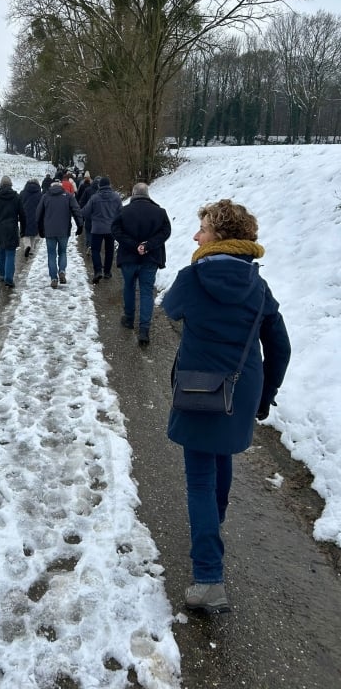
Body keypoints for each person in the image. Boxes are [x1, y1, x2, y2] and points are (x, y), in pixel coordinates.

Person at [162, 199, 291, 614]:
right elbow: (280, 346)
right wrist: (266, 393)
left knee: (199, 477)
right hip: (241, 387)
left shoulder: (192, 277)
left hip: (199, 388)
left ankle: (208, 578)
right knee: (222, 457)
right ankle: (210, 528)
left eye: (201, 228)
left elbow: (169, 311)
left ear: (217, 235)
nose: (195, 236)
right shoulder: (258, 286)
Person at [112, 182, 171, 345]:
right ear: (147, 194)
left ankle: (129, 319)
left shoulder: (124, 211)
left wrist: (133, 244)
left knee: (129, 287)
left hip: (128, 258)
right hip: (150, 259)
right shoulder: (160, 212)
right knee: (146, 292)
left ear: (133, 193)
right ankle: (144, 328)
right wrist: (147, 246)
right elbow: (166, 232)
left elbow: (115, 230)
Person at [36, 179, 83, 288]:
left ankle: (53, 278)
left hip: (49, 231)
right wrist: (80, 225)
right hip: (63, 230)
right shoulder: (68, 196)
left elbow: (38, 214)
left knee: (51, 254)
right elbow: (76, 210)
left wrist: (40, 228)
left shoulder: (46, 197)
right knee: (62, 252)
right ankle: (62, 270)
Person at [0, 175, 26, 289]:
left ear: (0, 185)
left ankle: (2, 275)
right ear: (11, 185)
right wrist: (23, 229)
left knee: (1, 251)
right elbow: (22, 215)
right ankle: (9, 278)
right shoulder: (16, 197)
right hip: (12, 228)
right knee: (10, 253)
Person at [82, 176, 123, 283]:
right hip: (111, 229)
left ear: (100, 186)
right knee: (109, 251)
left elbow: (85, 212)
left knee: (95, 250)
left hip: (97, 228)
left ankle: (98, 271)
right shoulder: (116, 197)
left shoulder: (94, 198)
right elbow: (120, 213)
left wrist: (93, 217)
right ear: (109, 185)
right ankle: (107, 272)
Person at [19, 178, 42, 257]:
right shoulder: (39, 194)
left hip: (24, 215)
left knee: (25, 233)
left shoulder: (22, 193)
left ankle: (27, 246)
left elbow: (19, 203)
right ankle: (31, 249)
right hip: (36, 215)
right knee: (33, 233)